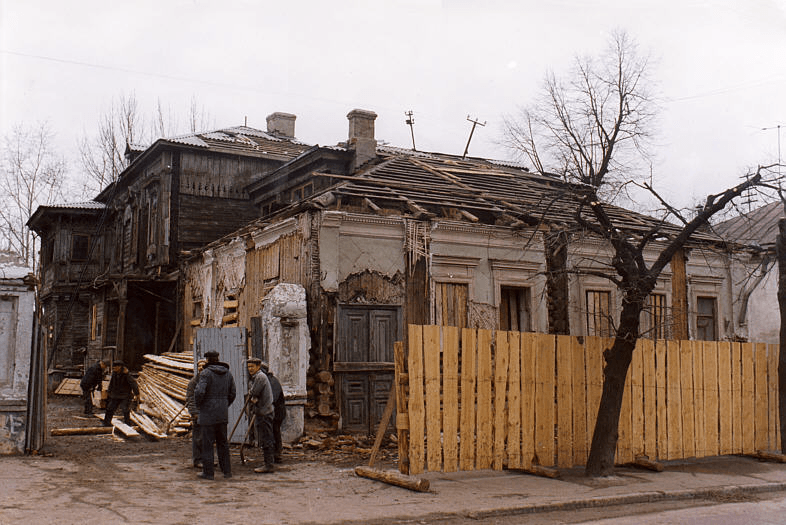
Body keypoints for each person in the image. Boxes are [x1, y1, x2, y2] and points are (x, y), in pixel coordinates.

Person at [195, 350, 236, 480]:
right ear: (218, 359)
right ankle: (227, 472)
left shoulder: (205, 373)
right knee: (223, 443)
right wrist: (224, 404)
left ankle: (208, 473)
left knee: (207, 444)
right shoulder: (228, 373)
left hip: (208, 414)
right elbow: (233, 393)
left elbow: (200, 392)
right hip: (222, 413)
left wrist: (199, 405)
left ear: (207, 360)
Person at [246, 357, 275, 473]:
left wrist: (252, 395)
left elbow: (253, 392)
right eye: (248, 367)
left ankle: (269, 465)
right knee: (264, 438)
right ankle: (268, 463)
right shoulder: (256, 377)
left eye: (252, 367)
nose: (250, 369)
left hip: (265, 413)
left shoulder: (260, 377)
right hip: (262, 412)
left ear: (258, 367)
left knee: (266, 438)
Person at [261, 361, 286, 463]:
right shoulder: (267, 380)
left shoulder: (272, 381)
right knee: (273, 432)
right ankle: (274, 453)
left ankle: (277, 453)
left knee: (275, 431)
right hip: (271, 410)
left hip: (277, 411)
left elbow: (273, 398)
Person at [102, 361, 139, 426]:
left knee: (125, 409)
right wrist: (109, 392)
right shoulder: (114, 373)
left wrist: (137, 394)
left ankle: (128, 424)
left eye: (115, 367)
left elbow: (133, 384)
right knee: (110, 408)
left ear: (120, 367)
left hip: (125, 395)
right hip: (115, 395)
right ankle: (106, 423)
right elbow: (111, 383)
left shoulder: (127, 374)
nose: (113, 368)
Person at [185, 359, 207, 468]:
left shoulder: (209, 380)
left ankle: (207, 460)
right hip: (198, 413)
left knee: (207, 437)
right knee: (198, 438)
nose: (201, 368)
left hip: (208, 412)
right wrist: (194, 412)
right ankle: (198, 460)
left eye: (203, 366)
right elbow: (190, 398)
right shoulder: (194, 382)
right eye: (199, 366)